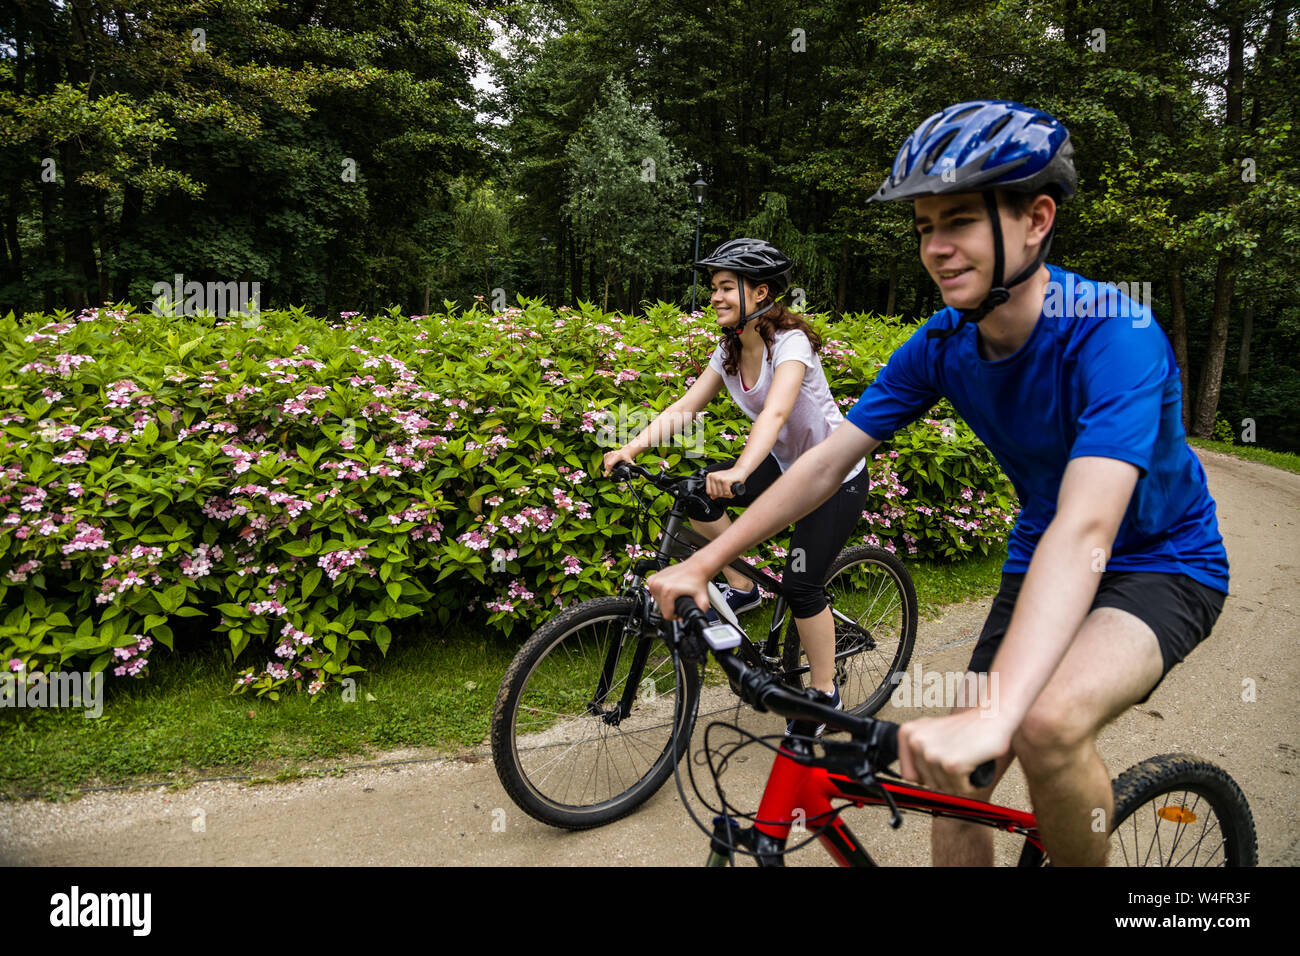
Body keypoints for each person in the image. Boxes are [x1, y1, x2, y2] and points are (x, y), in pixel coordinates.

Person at [648, 100, 1229, 866]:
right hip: (1039, 561)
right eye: (923, 226)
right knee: (957, 778)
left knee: (1046, 723)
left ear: (1036, 218)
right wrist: (703, 562)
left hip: (1162, 563)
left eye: (957, 220)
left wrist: (1002, 712)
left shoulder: (1112, 333)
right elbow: (826, 461)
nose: (936, 247)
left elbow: (1088, 526)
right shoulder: (943, 343)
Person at [601, 238, 869, 731]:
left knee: (802, 584)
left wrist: (742, 470)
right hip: (787, 465)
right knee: (697, 493)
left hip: (835, 472)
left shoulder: (790, 344)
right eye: (714, 288)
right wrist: (631, 448)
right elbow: (685, 409)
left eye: (727, 287)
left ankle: (824, 695)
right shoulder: (727, 353)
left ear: (760, 292)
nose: (715, 297)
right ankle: (743, 587)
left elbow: (777, 411)